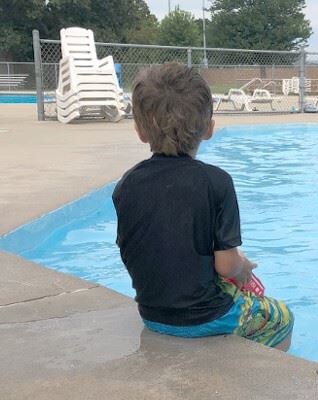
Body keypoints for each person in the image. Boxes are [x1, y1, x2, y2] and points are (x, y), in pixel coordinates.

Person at [112, 64, 293, 351]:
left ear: (140, 131)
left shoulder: (126, 185)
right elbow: (226, 266)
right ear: (209, 128)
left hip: (152, 315)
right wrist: (242, 267)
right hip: (205, 316)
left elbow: (142, 250)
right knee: (282, 318)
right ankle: (263, 376)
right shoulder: (217, 182)